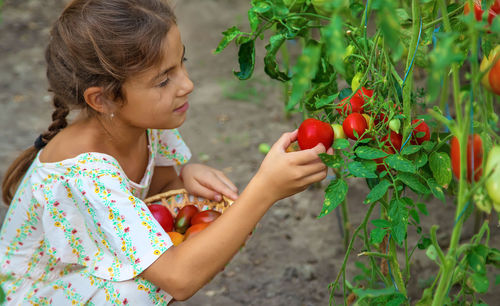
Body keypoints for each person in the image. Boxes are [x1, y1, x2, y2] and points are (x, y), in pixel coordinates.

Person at [0, 0, 331, 304]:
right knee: (144, 287)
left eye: (181, 63)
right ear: (103, 99)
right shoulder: (86, 175)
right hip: (35, 294)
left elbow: (159, 198)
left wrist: (184, 177)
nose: (186, 84)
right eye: (163, 80)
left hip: (80, 276)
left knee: (182, 243)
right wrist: (265, 189)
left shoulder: (141, 121)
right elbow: (179, 279)